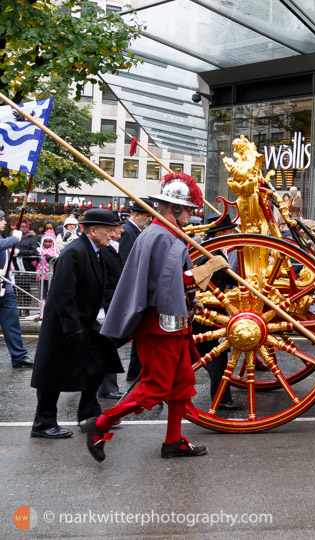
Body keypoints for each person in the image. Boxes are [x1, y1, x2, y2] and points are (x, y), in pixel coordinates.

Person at [79, 173, 228, 462]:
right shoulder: (159, 235)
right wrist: (205, 270)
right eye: (187, 210)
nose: (190, 215)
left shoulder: (168, 234)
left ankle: (173, 441)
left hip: (174, 321)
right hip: (159, 325)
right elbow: (167, 282)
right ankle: (99, 424)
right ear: (173, 209)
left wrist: (192, 296)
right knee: (156, 386)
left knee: (181, 384)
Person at [29, 210, 124, 439]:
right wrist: (72, 328)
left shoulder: (98, 251)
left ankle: (90, 415)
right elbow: (62, 294)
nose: (113, 234)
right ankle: (43, 423)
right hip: (64, 324)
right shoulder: (74, 252)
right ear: (93, 231)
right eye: (108, 230)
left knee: (98, 361)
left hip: (86, 322)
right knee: (52, 373)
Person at [192, 214, 240, 410]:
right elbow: (199, 283)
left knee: (215, 356)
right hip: (206, 312)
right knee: (212, 356)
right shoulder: (208, 254)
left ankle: (222, 397)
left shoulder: (215, 252)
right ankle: (221, 398)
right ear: (221, 233)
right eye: (230, 231)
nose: (233, 234)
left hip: (212, 310)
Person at [118, 200, 153, 381]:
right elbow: (126, 262)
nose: (148, 219)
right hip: (129, 288)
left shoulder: (137, 231)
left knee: (137, 334)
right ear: (136, 214)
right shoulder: (127, 232)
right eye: (146, 216)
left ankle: (136, 371)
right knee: (124, 333)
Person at [96, 221, 127, 401]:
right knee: (107, 343)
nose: (121, 230)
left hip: (113, 301)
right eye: (117, 228)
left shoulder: (111, 248)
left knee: (109, 343)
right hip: (107, 303)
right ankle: (107, 387)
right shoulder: (104, 250)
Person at [0, 211, 32, 368]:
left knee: (12, 324)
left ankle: (19, 356)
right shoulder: (5, 240)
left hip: (5, 289)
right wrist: (15, 239)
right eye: (1, 220)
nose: (4, 222)